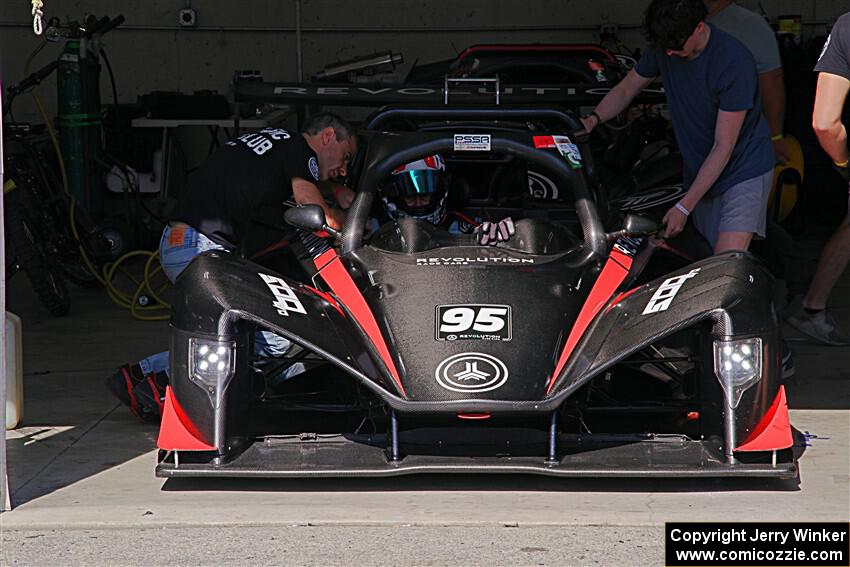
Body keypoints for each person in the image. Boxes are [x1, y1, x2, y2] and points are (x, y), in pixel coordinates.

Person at [106, 112, 357, 421]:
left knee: (237, 334)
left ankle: (140, 376)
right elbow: (314, 209)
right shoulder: (300, 150)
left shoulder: (277, 141)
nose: (343, 170)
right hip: (202, 246)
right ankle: (165, 386)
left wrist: (336, 191)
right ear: (328, 136)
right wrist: (353, 222)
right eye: (345, 157)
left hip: (183, 240)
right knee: (274, 336)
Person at [580, 0, 775, 255]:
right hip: (700, 169)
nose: (670, 54)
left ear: (699, 27)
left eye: (676, 48)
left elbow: (723, 147)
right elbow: (627, 89)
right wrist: (593, 119)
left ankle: (781, 282)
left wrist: (684, 207)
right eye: (665, 49)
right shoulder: (665, 46)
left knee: (726, 262)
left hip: (743, 169)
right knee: (706, 258)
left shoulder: (734, 62)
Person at [785, 14, 850, 346]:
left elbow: (825, 123)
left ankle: (812, 307)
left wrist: (843, 161)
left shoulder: (845, 27)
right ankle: (811, 308)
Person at [704, 0, 788, 163]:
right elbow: (772, 80)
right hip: (706, 142)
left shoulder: (747, 24)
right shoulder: (679, 24)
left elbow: (771, 80)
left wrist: (775, 136)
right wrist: (775, 136)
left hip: (738, 146)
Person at [379, 154, 515, 245]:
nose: (419, 203)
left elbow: (483, 236)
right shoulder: (369, 229)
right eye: (410, 197)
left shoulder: (462, 229)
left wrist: (497, 237)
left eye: (425, 196)